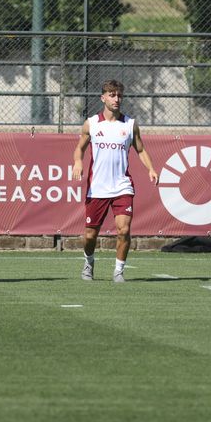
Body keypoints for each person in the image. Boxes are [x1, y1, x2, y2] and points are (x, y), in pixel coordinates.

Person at [71, 79, 159, 283]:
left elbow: (141, 149)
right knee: (90, 236)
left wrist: (151, 169)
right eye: (112, 95)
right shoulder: (91, 123)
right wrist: (77, 162)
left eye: (119, 95)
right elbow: (80, 148)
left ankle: (119, 271)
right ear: (103, 98)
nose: (116, 99)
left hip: (122, 186)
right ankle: (88, 262)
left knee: (124, 230)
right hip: (97, 188)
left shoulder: (130, 124)